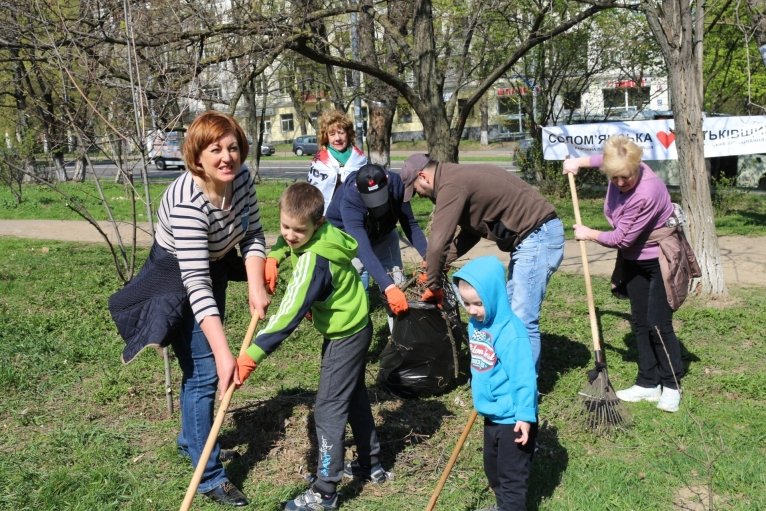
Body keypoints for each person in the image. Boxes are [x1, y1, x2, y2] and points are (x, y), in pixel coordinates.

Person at [108, 111, 270, 506]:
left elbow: (253, 234)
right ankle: (210, 476)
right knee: (203, 373)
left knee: (202, 369)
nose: (227, 157)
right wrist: (224, 353)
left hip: (211, 265)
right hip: (174, 277)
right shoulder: (186, 202)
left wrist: (255, 285)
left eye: (233, 147)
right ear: (197, 157)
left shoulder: (241, 179)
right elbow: (194, 284)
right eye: (215, 150)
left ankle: (190, 440)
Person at [237, 182, 389, 511]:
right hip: (356, 324)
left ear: (317, 223)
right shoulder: (323, 235)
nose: (290, 235)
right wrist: (275, 256)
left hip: (345, 334)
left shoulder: (314, 262)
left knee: (327, 410)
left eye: (298, 231)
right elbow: (286, 242)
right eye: (285, 227)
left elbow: (287, 314)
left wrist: (251, 355)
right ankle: (370, 462)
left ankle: (325, 491)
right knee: (353, 396)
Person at [563, 135, 698, 413]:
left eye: (626, 177)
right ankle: (648, 382)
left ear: (637, 166)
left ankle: (671, 385)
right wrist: (577, 161)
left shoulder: (647, 191)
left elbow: (622, 238)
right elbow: (602, 159)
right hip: (635, 260)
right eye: (614, 178)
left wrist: (589, 233)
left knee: (658, 323)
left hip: (659, 259)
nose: (621, 183)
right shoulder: (618, 164)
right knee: (639, 321)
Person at [400, 154, 564, 373]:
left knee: (523, 318)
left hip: (537, 236)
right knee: (509, 313)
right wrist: (438, 264)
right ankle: (507, 374)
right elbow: (472, 233)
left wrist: (433, 284)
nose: (418, 196)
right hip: (531, 238)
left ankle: (522, 388)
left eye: (415, 189)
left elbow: (438, 243)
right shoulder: (454, 177)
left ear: (423, 177)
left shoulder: (451, 185)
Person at [453, 256, 537, 511]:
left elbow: (524, 377)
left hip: (513, 418)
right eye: (466, 303)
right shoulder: (476, 325)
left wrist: (524, 415)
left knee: (512, 477)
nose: (471, 310)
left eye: (478, 303)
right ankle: (503, 507)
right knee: (493, 469)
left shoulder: (511, 333)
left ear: (494, 297)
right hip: (492, 412)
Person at [325, 163, 428, 323]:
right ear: (359, 190)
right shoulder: (350, 199)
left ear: (386, 180)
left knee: (398, 285)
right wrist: (388, 287)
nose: (376, 204)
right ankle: (354, 328)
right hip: (348, 238)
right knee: (353, 286)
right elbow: (361, 246)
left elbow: (410, 224)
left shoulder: (396, 185)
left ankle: (402, 338)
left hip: (384, 234)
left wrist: (429, 258)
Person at [307, 109, 367, 213]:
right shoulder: (320, 160)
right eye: (332, 134)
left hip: (355, 212)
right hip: (327, 215)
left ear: (348, 134)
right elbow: (313, 192)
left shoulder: (359, 158)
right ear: (326, 136)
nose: (337, 138)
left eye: (341, 132)